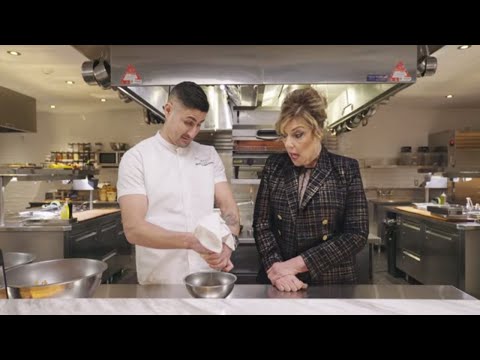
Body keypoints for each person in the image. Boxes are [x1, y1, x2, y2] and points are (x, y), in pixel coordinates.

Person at [117, 81, 240, 284]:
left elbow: (228, 208)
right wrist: (191, 242)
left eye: (199, 124)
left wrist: (229, 245)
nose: (193, 133)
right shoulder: (137, 158)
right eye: (188, 122)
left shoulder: (208, 155)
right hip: (160, 281)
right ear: (168, 110)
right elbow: (134, 229)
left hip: (206, 277)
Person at [253, 88, 368, 291]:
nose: (288, 144)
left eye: (298, 135)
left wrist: (294, 265)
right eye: (285, 135)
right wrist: (277, 270)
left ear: (318, 131)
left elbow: (356, 234)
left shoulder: (345, 169)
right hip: (280, 282)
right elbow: (262, 224)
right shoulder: (274, 166)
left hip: (330, 282)